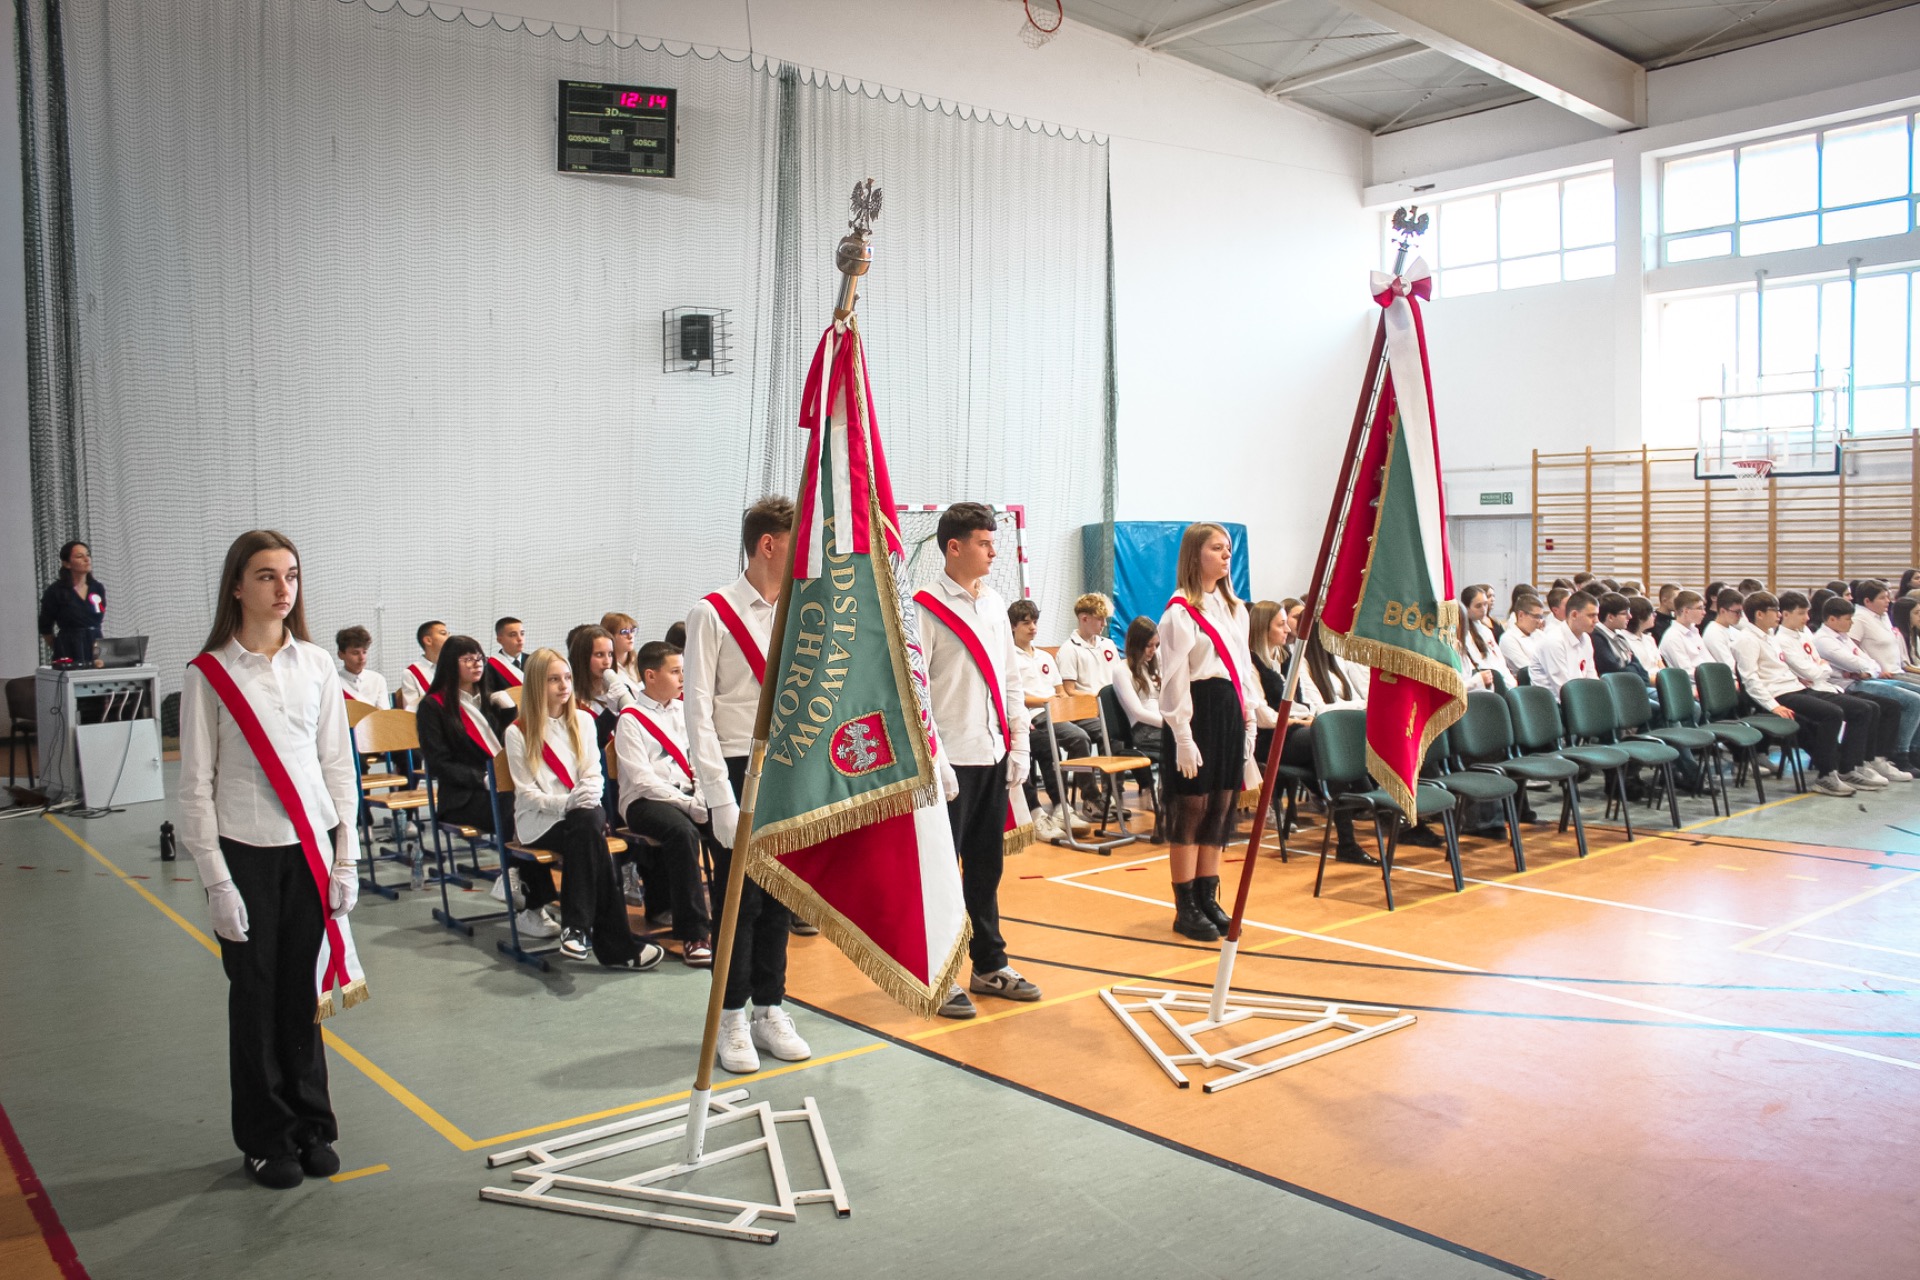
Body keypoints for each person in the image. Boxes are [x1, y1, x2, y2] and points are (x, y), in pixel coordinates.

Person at [177, 530, 361, 1190]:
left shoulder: (316, 665)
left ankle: (312, 1123)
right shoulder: (208, 675)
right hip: (245, 855)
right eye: (266, 576)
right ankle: (265, 1136)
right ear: (236, 587)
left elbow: (337, 766)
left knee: (302, 995)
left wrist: (347, 856)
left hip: (310, 850)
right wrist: (216, 881)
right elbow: (194, 785)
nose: (284, 588)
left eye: (291, 575)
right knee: (255, 999)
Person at [684, 497, 812, 1071]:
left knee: (780, 897)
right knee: (741, 904)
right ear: (768, 544)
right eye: (795, 539)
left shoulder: (802, 612)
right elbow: (697, 712)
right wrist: (719, 797)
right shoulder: (711, 613)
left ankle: (769, 1007)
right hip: (736, 769)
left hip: (786, 769)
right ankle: (730, 1015)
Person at [916, 501, 1044, 1016]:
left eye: (994, 542)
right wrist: (936, 758)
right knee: (943, 875)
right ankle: (939, 975)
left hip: (993, 755)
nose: (994, 552)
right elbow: (915, 693)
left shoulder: (994, 604)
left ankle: (990, 964)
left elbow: (1010, 679)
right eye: (984, 543)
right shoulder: (923, 607)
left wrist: (1020, 743)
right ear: (954, 547)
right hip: (950, 763)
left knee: (986, 870)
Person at [505, 646, 664, 969]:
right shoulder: (517, 732)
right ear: (536, 684)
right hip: (541, 822)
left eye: (566, 677)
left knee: (587, 823)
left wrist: (584, 798)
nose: (564, 685)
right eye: (553, 679)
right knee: (592, 839)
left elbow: (593, 774)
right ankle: (611, 944)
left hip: (584, 814)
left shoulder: (583, 721)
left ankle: (577, 929)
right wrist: (567, 802)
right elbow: (527, 795)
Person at [1158, 523, 1269, 942]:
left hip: (1228, 712)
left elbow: (1242, 668)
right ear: (1195, 555)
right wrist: (1182, 735)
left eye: (1228, 549)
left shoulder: (1235, 609)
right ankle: (1185, 905)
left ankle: (1208, 896)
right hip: (1195, 714)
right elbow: (1174, 680)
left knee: (1221, 805)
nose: (1226, 556)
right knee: (1192, 808)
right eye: (1217, 548)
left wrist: (1249, 718)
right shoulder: (1179, 612)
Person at [417, 636, 559, 939]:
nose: (476, 664)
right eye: (468, 659)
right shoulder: (433, 706)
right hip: (462, 797)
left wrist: (509, 713)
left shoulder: (490, 701)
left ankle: (518, 880)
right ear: (450, 665)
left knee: (535, 808)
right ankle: (531, 905)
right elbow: (438, 763)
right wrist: (481, 779)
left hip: (503, 791)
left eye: (479, 658)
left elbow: (514, 746)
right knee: (516, 811)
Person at [614, 640, 715, 967]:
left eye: (683, 670)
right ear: (650, 675)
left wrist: (702, 795)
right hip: (645, 801)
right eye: (675, 671)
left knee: (728, 823)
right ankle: (694, 934)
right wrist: (687, 804)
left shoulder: (684, 711)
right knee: (682, 833)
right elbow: (642, 779)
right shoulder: (631, 719)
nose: (682, 677)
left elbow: (698, 759)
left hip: (687, 794)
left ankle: (732, 914)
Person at [1731, 592, 1879, 798]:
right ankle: (1826, 776)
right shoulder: (1747, 640)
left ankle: (1849, 767)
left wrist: (1802, 678)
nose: (1778, 615)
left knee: (1862, 708)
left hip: (1795, 687)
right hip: (1779, 695)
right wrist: (1773, 706)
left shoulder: (1769, 636)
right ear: (1759, 614)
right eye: (1774, 611)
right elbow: (1750, 679)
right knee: (1832, 713)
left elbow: (1783, 668)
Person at [1008, 599, 1092, 843]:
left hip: (1054, 712)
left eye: (1035, 622)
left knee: (1079, 737)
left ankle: (1063, 807)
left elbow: (1060, 691)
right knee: (1056, 742)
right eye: (1026, 623)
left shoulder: (1045, 657)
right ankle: (1038, 812)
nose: (1033, 627)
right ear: (1013, 626)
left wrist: (1060, 702)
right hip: (1032, 716)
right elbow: (1013, 696)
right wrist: (1046, 701)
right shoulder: (1008, 658)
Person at [1813, 596, 1920, 774]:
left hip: (1864, 679)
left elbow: (1870, 663)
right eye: (1848, 619)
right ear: (1832, 619)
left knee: (1918, 692)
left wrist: (1867, 671)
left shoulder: (1843, 637)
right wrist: (1864, 670)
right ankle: (1901, 753)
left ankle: (1915, 748)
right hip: (1848, 685)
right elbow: (1854, 663)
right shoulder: (1824, 640)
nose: (1851, 623)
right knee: (1913, 701)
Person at [38, 539, 105, 665]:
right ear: (67, 564)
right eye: (80, 556)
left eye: (88, 555)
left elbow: (98, 617)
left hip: (96, 645)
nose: (87, 559)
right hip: (69, 646)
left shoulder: (97, 588)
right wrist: (60, 647)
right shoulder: (56, 591)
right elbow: (45, 626)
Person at [1529, 591, 1600, 698]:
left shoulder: (1585, 638)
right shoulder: (1553, 641)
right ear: (1574, 615)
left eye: (1597, 615)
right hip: (1552, 704)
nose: (1596, 620)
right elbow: (1564, 689)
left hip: (1577, 699)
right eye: (1591, 616)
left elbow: (1592, 677)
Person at [1851, 580, 1920, 683]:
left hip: (1897, 671)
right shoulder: (1859, 618)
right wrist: (1871, 670)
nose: (1888, 601)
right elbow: (1851, 649)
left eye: (1887, 597)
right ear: (1867, 601)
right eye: (1882, 598)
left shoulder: (1883, 615)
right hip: (1883, 676)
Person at [1592, 592, 1652, 686]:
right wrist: (1633, 667)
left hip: (1637, 687)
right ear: (1610, 617)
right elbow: (1615, 671)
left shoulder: (1619, 634)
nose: (1630, 616)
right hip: (1619, 690)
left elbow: (1639, 666)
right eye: (1624, 613)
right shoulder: (1596, 638)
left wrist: (1643, 684)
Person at [1456, 585, 1505, 689]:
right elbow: (1480, 666)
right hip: (1486, 681)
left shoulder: (1486, 631)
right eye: (1478, 606)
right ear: (1467, 608)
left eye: (1485, 604)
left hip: (1500, 678)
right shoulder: (1465, 635)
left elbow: (1500, 661)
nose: (1483, 609)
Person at [483, 617, 528, 718]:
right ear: (499, 640)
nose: (520, 639)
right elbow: (489, 700)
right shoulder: (489, 667)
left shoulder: (534, 661)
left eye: (522, 633)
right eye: (513, 635)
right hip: (507, 720)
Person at [335, 626, 389, 708]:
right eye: (355, 653)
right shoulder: (334, 681)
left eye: (364, 652)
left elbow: (384, 713)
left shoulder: (378, 680)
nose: (362, 658)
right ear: (341, 654)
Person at [398, 621, 447, 712]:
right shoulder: (412, 672)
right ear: (428, 640)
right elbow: (411, 711)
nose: (449, 637)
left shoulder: (456, 667)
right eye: (443, 633)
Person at [1659, 591, 1711, 673]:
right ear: (1686, 611)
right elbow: (1686, 671)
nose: (1704, 612)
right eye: (1700, 608)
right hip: (1692, 680)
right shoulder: (1673, 637)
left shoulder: (1694, 631)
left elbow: (1709, 661)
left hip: (1705, 676)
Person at [1500, 593, 1546, 680]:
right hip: (1528, 683)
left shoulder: (1540, 635)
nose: (1539, 621)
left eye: (1541, 617)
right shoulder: (1508, 639)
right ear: (1521, 615)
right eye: (1536, 616)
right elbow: (1527, 669)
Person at [601, 611, 642, 701]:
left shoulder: (640, 662)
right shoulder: (605, 667)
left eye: (632, 630)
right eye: (624, 632)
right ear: (609, 636)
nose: (630, 636)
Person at [1701, 589, 1746, 671]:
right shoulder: (1713, 633)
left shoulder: (1735, 631)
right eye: (1737, 612)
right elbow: (1729, 666)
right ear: (1722, 611)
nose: (1740, 616)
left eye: (1741, 612)